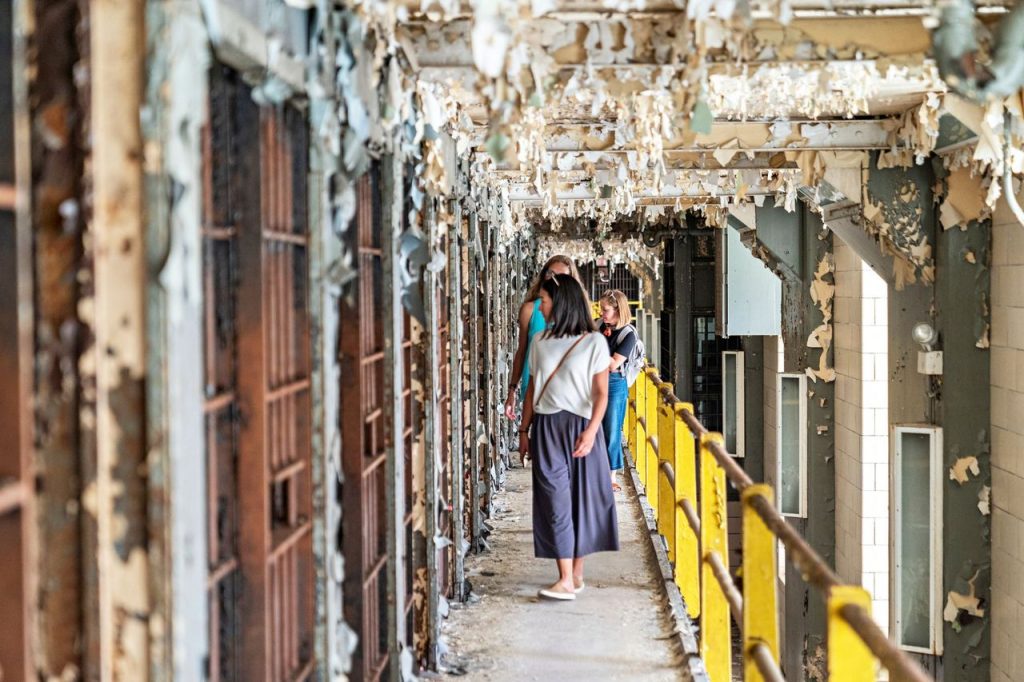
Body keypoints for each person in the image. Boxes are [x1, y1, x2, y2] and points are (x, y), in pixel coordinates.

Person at [518, 274, 619, 601]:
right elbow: (533, 387)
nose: (539, 307)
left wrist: (592, 432)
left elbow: (601, 394)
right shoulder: (540, 341)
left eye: (543, 301)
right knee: (554, 498)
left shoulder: (594, 342)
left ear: (560, 302)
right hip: (546, 427)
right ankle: (564, 577)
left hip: (581, 426)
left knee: (581, 499)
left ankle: (574, 575)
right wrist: (523, 430)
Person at [504, 255, 582, 420]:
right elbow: (522, 350)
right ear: (544, 275)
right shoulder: (530, 309)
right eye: (550, 274)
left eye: (560, 277)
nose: (553, 280)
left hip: (567, 390)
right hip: (533, 386)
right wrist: (512, 390)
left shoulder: (576, 314)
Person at [597, 290, 638, 492]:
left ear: (618, 310)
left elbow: (614, 364)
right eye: (601, 309)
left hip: (614, 383)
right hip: (594, 379)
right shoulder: (598, 325)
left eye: (605, 310)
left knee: (612, 429)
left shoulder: (628, 334)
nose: (602, 313)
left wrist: (592, 351)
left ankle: (611, 476)